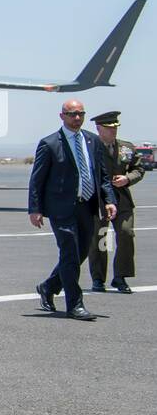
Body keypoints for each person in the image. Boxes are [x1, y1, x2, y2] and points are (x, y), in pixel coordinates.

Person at [29, 100, 117, 321]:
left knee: (81, 253)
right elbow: (37, 179)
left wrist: (109, 200)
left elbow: (102, 176)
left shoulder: (92, 141)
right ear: (62, 116)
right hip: (61, 208)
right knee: (69, 253)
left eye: (80, 114)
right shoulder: (49, 144)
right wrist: (35, 209)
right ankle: (75, 304)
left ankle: (48, 287)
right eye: (72, 114)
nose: (77, 118)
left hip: (86, 206)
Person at [87, 110, 143, 293]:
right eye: (109, 128)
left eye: (115, 128)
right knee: (100, 239)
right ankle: (97, 278)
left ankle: (120, 277)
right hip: (99, 201)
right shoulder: (91, 147)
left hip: (122, 200)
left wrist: (128, 179)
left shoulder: (126, 147)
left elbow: (139, 169)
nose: (113, 131)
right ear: (99, 128)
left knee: (126, 234)